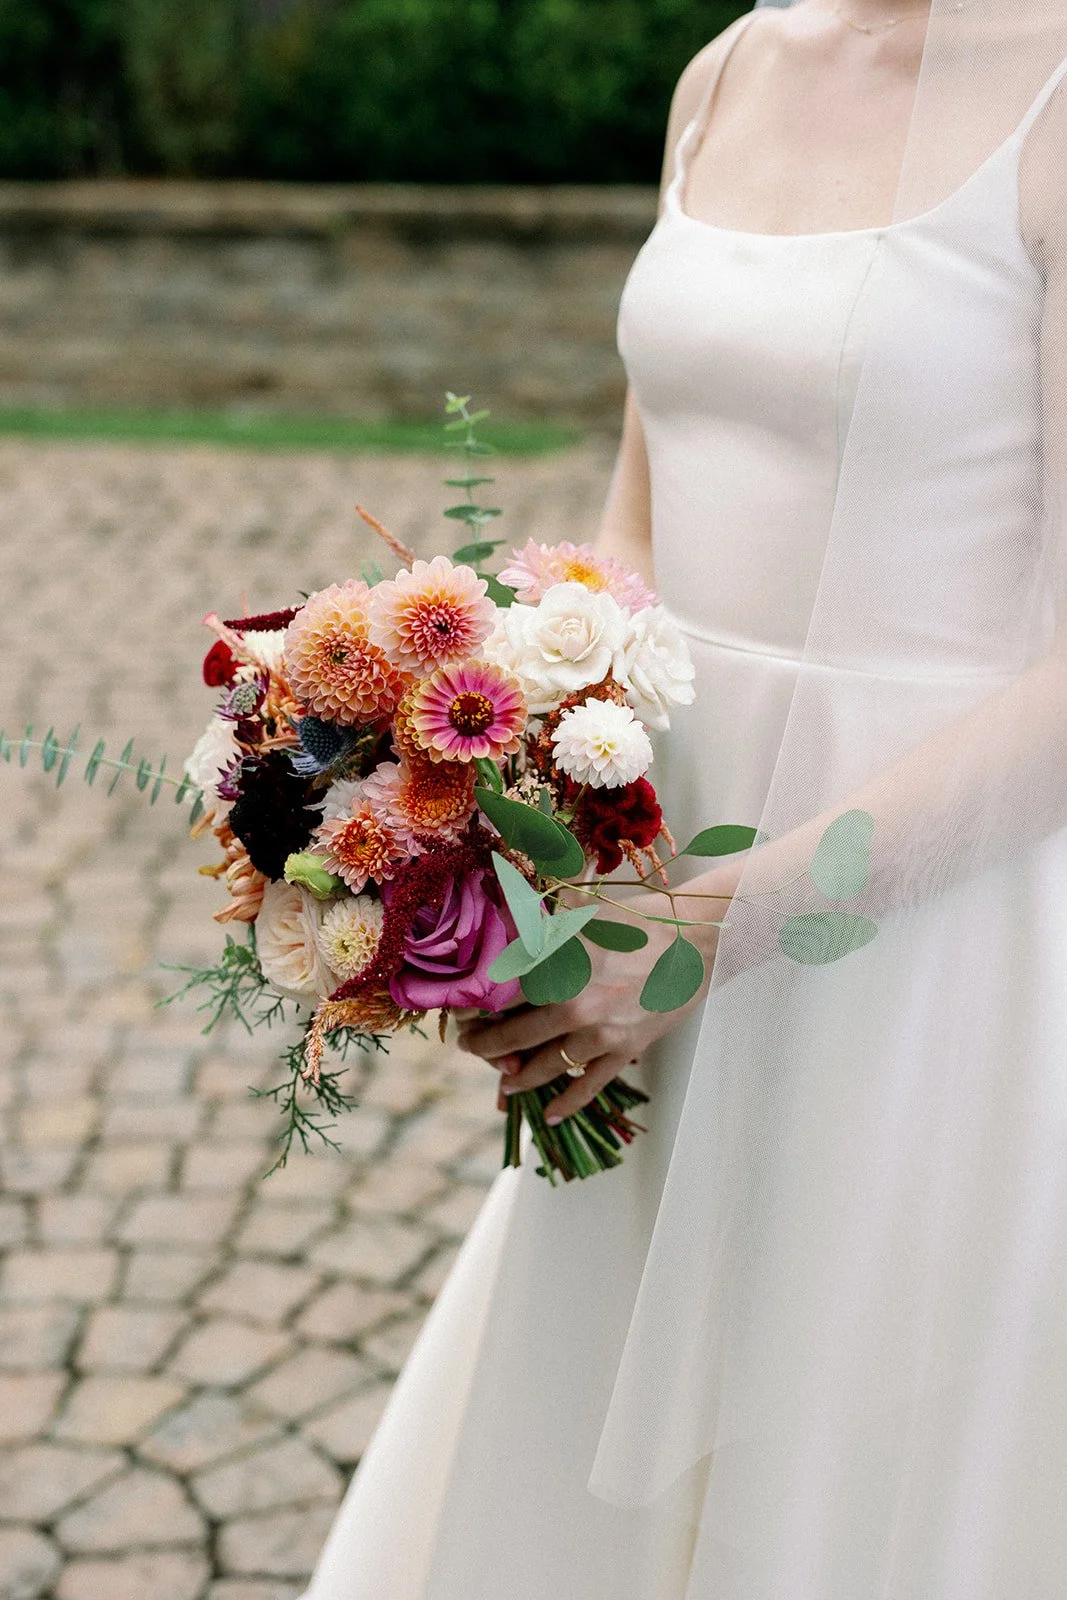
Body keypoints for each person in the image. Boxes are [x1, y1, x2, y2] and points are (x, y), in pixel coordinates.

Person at [301, 2, 1067, 1594]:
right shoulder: (722, 73)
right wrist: (505, 802)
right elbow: (635, 513)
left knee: (838, 1453)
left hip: (913, 922)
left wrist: (715, 920)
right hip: (654, 866)